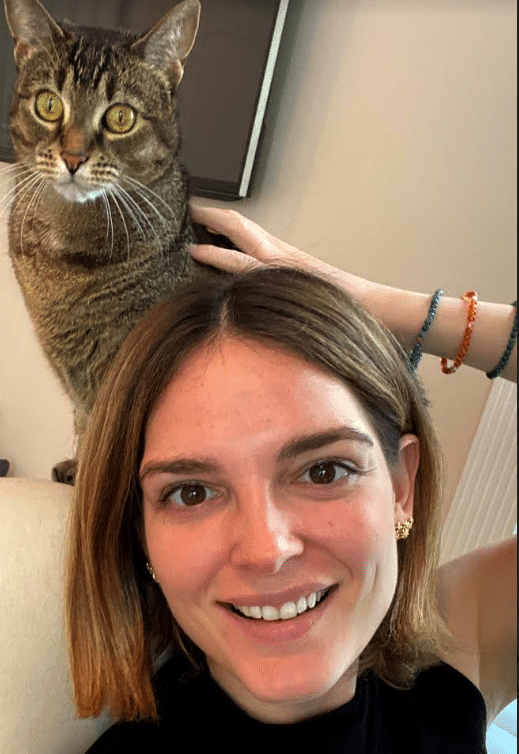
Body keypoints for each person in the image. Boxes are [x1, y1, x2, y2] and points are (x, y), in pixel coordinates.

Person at [65, 206, 517, 751]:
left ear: (402, 488)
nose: (267, 551)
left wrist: (381, 308)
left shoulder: (456, 642)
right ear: (142, 537)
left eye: (323, 472)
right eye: (192, 493)